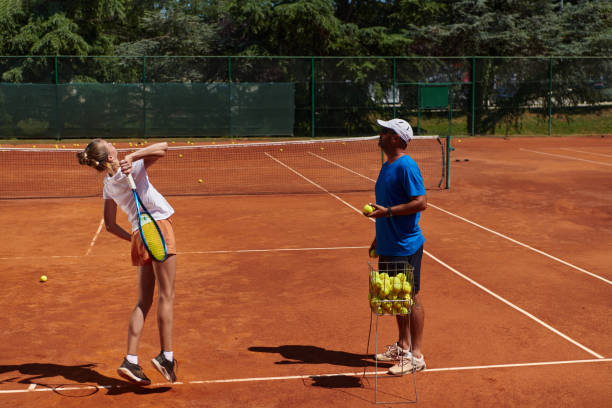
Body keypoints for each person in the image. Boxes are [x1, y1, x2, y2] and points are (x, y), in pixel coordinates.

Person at [77, 139, 178, 385]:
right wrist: (134, 157)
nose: (113, 144)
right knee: (167, 295)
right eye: (109, 145)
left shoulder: (109, 184)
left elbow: (110, 225)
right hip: (159, 228)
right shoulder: (133, 168)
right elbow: (163, 147)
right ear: (110, 157)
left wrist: (136, 239)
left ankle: (131, 360)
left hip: (139, 235)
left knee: (143, 301)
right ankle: (166, 357)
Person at [365, 118, 427, 375]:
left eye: (384, 131)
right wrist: (379, 237)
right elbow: (385, 205)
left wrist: (388, 212)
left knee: (409, 297)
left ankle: (417, 356)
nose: (379, 135)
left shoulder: (406, 166)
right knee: (395, 296)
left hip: (405, 245)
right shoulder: (387, 165)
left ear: (395, 138)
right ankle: (403, 345)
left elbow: (421, 202)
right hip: (390, 243)